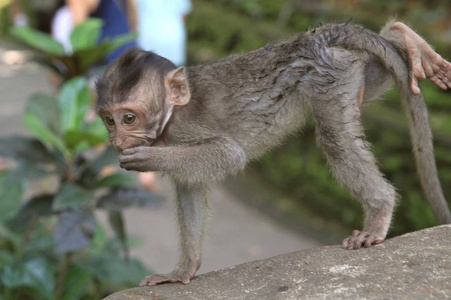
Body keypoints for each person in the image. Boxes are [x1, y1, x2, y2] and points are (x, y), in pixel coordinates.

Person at [135, 0, 192, 66]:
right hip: (173, 37)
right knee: (174, 71)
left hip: (148, 37)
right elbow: (184, 15)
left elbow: (133, 16)